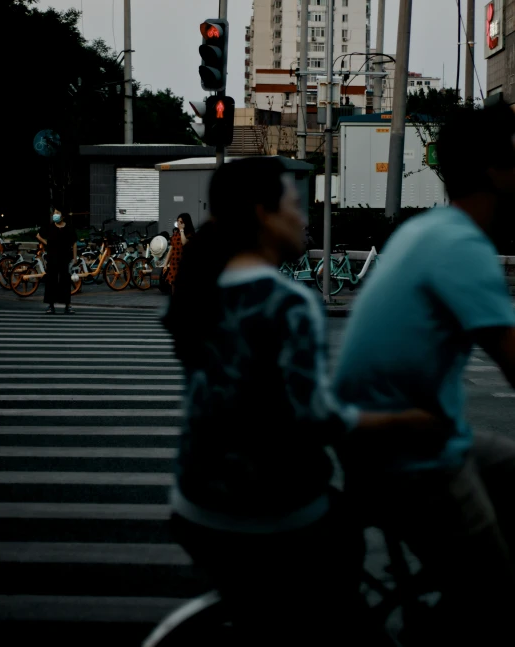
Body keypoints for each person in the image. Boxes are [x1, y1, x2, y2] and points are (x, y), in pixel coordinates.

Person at [164, 157, 445, 643]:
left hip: (194, 505)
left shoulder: (200, 290)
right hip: (269, 511)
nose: (304, 218)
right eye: (295, 205)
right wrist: (404, 421)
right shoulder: (288, 301)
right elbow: (314, 418)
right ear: (262, 213)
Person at [333, 101, 515, 641]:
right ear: (495, 170)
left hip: (387, 434)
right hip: (411, 454)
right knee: (496, 598)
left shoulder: (428, 230)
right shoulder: (463, 248)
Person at [37, 207, 78, 315]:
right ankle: (51, 305)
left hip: (65, 257)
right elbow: (38, 235)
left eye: (57, 213)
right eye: (54, 213)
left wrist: (75, 258)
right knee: (51, 281)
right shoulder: (50, 227)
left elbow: (74, 243)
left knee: (65, 281)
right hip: (52, 257)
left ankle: (67, 305)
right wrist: (48, 244)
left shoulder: (69, 227)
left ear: (63, 216)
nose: (55, 215)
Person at [163, 213, 194, 293]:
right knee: (173, 284)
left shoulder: (189, 233)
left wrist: (182, 230)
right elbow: (171, 250)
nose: (179, 224)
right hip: (174, 264)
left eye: (181, 222)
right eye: (178, 221)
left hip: (184, 264)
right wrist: (165, 264)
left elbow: (184, 243)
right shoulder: (175, 234)